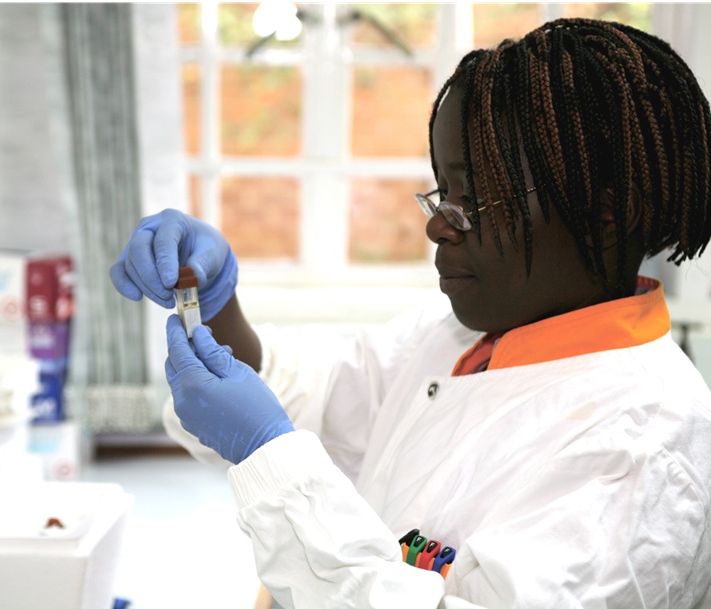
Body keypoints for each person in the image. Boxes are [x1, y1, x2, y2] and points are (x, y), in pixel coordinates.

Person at [110, 18, 711, 609]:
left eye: (473, 200)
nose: (436, 224)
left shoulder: (642, 454)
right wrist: (214, 309)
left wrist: (267, 455)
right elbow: (311, 406)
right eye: (442, 192)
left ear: (607, 212)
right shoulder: (456, 337)